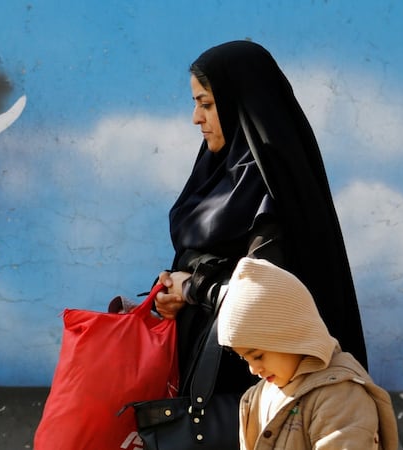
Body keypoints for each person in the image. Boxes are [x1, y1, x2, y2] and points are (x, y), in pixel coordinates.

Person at [151, 40, 368, 397]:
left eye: (206, 104)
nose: (196, 118)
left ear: (238, 104)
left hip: (266, 392)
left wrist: (191, 289)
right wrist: (170, 292)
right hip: (203, 385)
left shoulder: (273, 187)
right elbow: (206, 262)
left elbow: (266, 301)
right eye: (195, 104)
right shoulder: (215, 172)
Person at [218, 257, 397, 450]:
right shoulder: (262, 395)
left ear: (292, 335)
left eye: (258, 356)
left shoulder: (341, 398)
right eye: (245, 359)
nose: (253, 369)